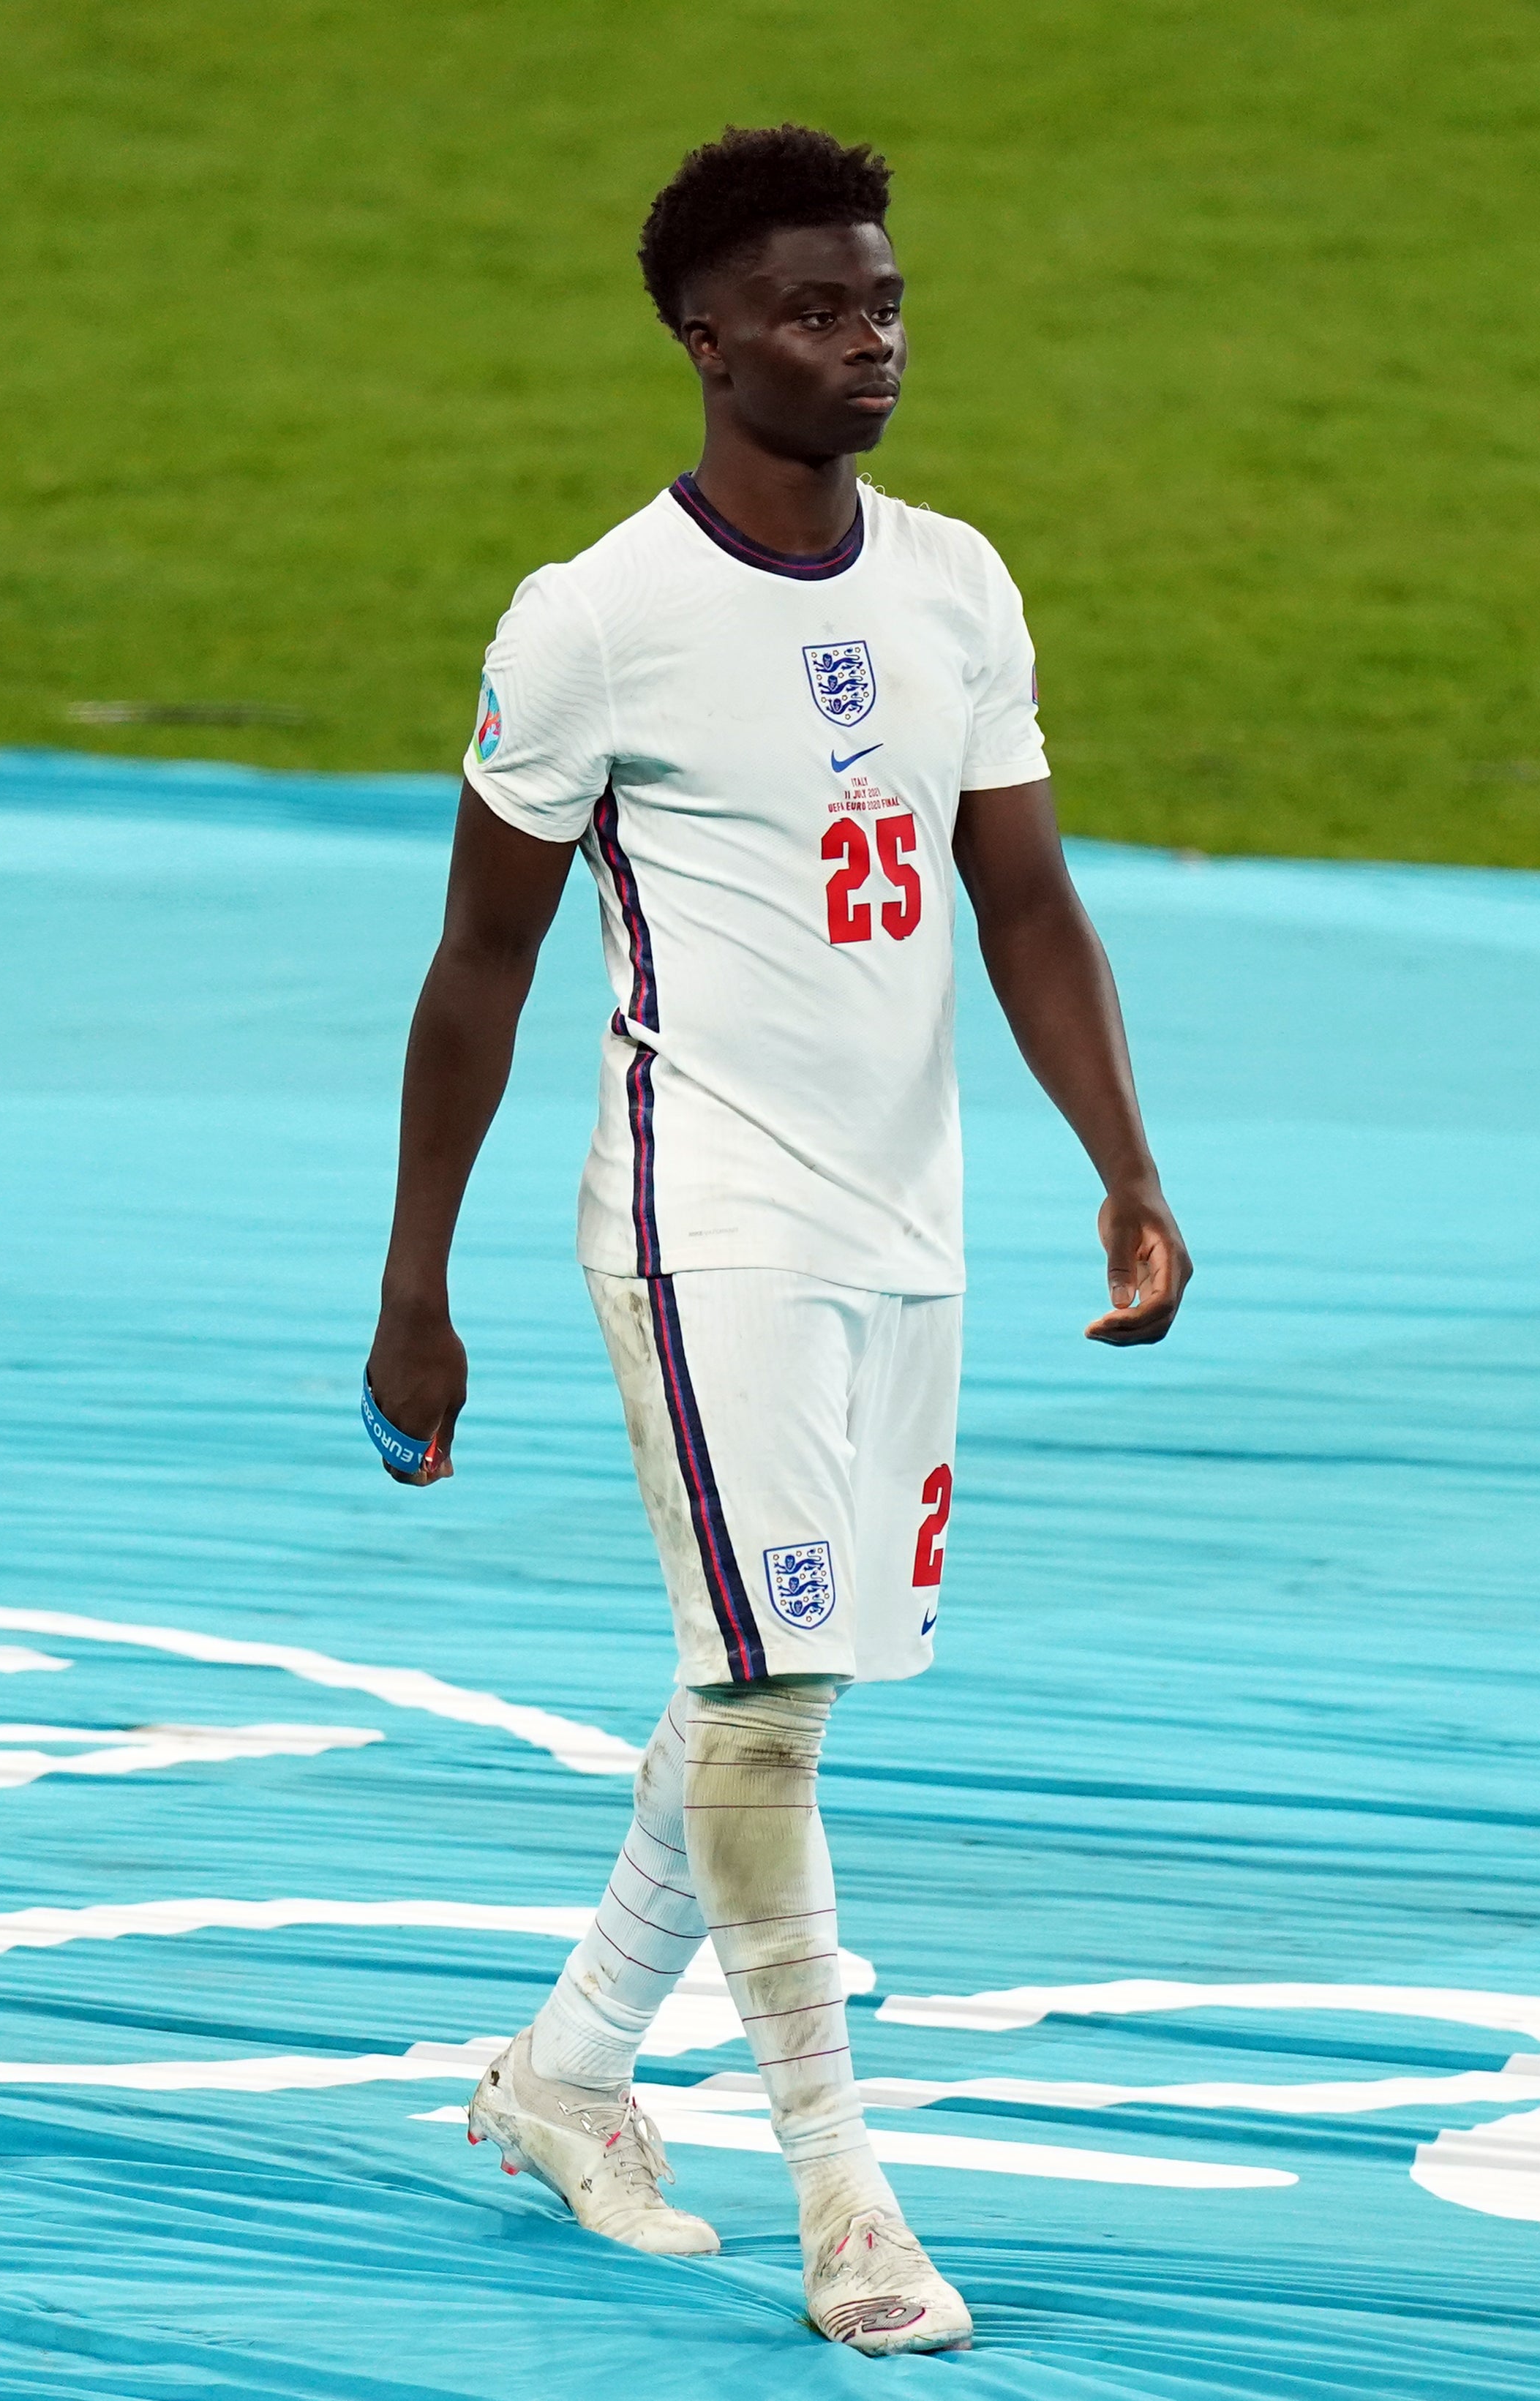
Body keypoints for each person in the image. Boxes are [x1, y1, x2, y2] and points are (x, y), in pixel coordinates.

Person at [364, 122, 1191, 2359]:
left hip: (900, 1227)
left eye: (888, 302)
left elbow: (1017, 896)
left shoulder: (953, 581)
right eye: (821, 310)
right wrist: (413, 1280)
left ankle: (562, 2079)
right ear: (705, 340)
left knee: (779, 1680)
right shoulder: (591, 621)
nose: (871, 343)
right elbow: (476, 970)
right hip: (700, 1220)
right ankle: (847, 2192)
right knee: (758, 1689)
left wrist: (1119, 1162)